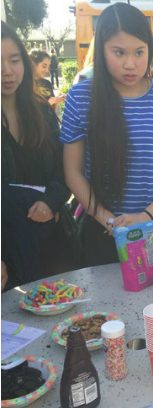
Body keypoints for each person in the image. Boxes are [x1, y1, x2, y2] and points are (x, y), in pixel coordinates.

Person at [60, 3, 153, 267]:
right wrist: (109, 220)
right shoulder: (81, 97)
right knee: (102, 307)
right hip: (102, 230)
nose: (130, 64)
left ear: (150, 51)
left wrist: (146, 216)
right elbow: (72, 172)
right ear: (101, 50)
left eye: (139, 52)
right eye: (119, 52)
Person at [1, 22, 71, 290]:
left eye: (14, 60)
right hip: (7, 254)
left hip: (49, 242)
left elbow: (63, 167)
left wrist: (51, 202)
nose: (7, 71)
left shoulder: (41, 112)